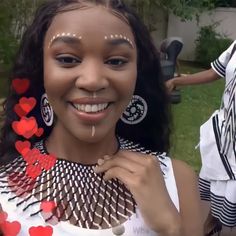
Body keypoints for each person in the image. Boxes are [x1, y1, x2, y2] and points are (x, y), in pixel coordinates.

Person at [0, 0, 203, 235]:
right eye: (67, 59)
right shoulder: (6, 190)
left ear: (138, 73)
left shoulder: (177, 182)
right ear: (41, 70)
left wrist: (171, 227)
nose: (92, 80)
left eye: (116, 61)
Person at [166, 41, 236, 235]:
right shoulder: (235, 47)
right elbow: (214, 72)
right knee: (220, 181)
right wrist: (176, 81)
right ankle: (212, 226)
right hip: (227, 133)